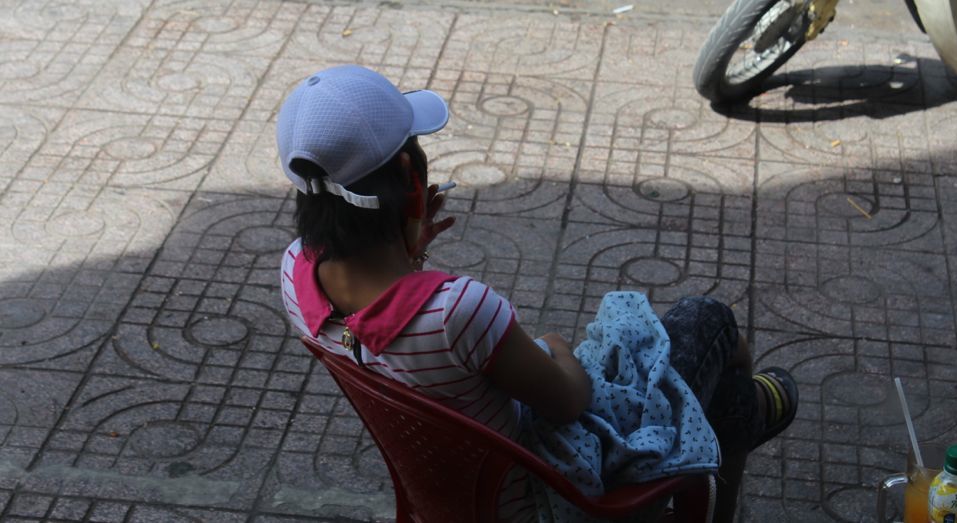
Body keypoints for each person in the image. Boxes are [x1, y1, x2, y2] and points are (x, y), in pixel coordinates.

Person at [276, 65, 798, 523]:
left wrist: (408, 253)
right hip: (546, 499)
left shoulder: (295, 272)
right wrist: (559, 349)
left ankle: (742, 413)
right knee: (709, 321)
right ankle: (745, 414)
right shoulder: (459, 310)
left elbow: (378, 330)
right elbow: (569, 400)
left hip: (446, 498)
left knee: (720, 390)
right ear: (412, 176)